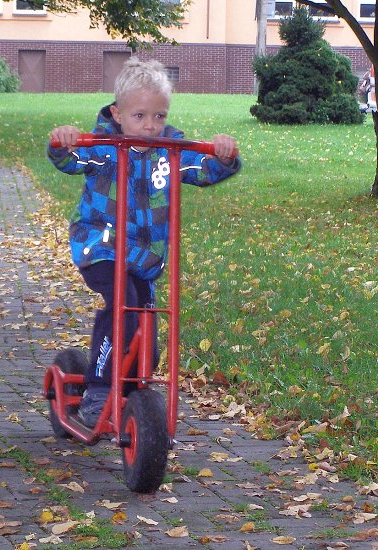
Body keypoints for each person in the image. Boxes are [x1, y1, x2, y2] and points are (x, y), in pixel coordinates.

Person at [47, 57, 242, 427]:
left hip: (144, 257)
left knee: (146, 323)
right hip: (101, 246)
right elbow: (70, 159)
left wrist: (222, 154)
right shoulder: (102, 145)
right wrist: (63, 141)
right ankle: (99, 390)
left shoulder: (170, 151)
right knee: (123, 303)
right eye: (139, 116)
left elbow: (203, 170)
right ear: (117, 114)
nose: (151, 126)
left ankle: (134, 391)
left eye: (159, 116)